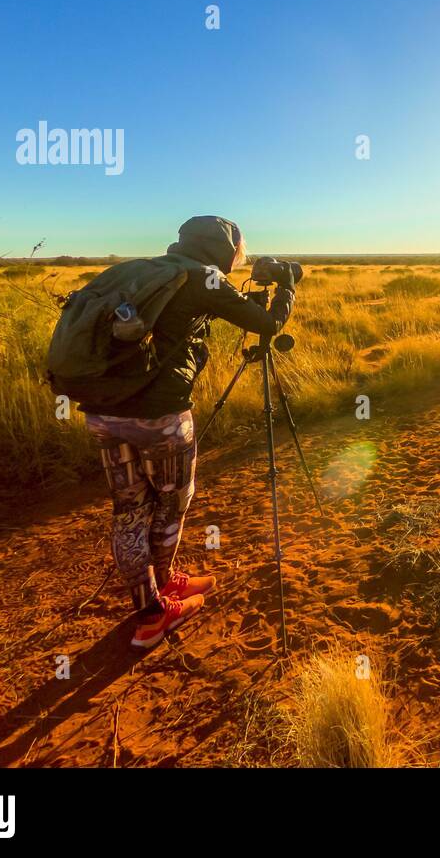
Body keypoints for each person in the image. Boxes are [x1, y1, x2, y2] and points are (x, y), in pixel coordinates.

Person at [82, 216, 296, 649]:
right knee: (169, 505)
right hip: (160, 418)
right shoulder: (204, 279)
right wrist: (288, 285)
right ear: (223, 247)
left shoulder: (148, 270)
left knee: (128, 510)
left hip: (103, 413)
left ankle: (157, 593)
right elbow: (267, 324)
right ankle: (154, 616)